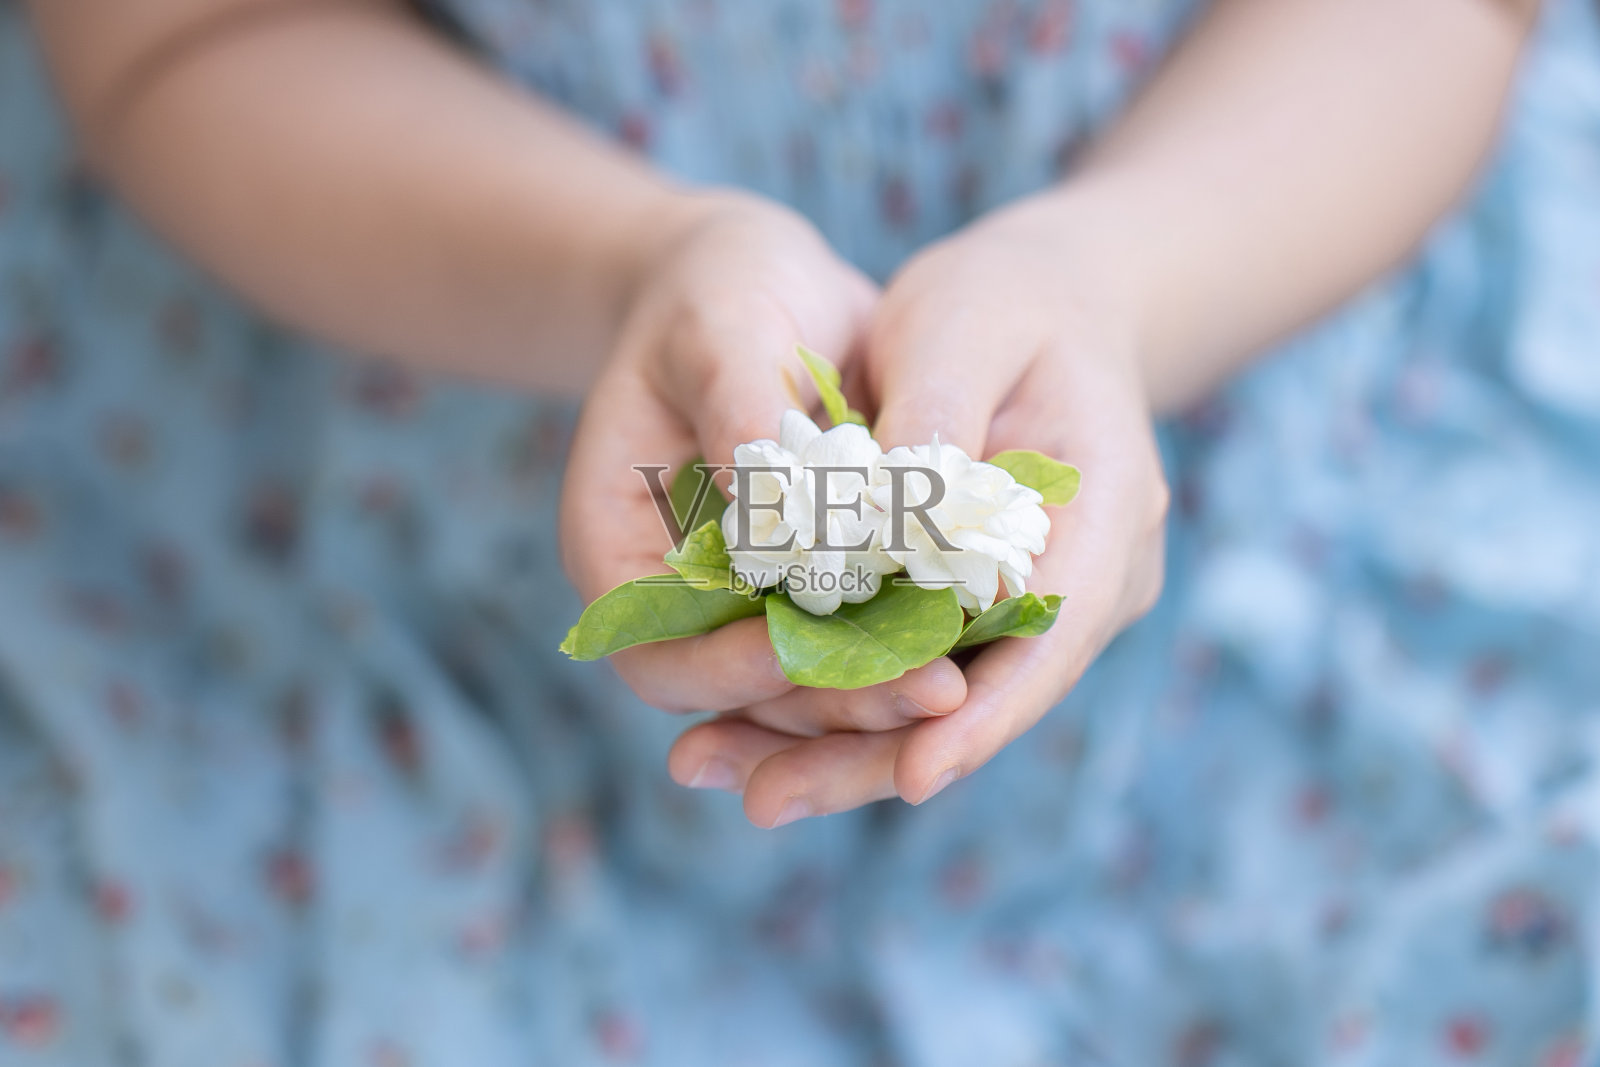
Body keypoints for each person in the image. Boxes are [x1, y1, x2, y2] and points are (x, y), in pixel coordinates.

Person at [4, 0, 1596, 1063]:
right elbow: (187, 34)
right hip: (436, 384)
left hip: (1255, 325)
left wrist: (1110, 282)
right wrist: (629, 266)